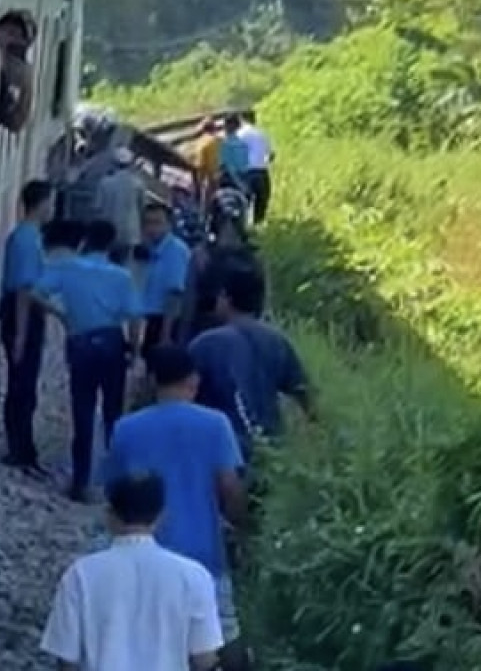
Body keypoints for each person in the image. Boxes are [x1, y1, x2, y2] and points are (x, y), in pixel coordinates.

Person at [104, 345, 250, 671]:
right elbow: (229, 487)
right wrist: (240, 526)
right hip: (204, 553)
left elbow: (114, 491)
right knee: (220, 638)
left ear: (153, 380)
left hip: (143, 553)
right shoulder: (216, 424)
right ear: (193, 380)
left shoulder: (126, 428)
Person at [41, 473, 225, 671]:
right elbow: (204, 659)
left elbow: (67, 659)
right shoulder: (194, 577)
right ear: (161, 516)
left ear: (109, 515)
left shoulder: (80, 575)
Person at [33, 219, 144, 501]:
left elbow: (35, 292)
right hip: (111, 341)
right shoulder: (121, 276)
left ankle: (80, 481)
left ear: (85, 241)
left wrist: (61, 314)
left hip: (80, 341)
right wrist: (133, 349)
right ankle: (116, 482)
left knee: (82, 409)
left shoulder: (68, 269)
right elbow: (133, 317)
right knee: (113, 412)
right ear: (110, 244)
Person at [188, 264, 313, 454]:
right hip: (271, 449)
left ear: (225, 298)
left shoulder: (205, 345)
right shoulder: (278, 342)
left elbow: (180, 400)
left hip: (218, 450)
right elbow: (307, 395)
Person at [0, 180, 60, 474]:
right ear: (42, 203)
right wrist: (21, 334)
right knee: (21, 382)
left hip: (26, 310)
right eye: (52, 202)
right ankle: (18, 448)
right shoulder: (25, 238)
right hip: (20, 312)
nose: (54, 208)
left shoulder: (31, 236)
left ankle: (24, 446)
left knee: (26, 383)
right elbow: (24, 290)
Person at [139, 202, 192, 358]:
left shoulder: (174, 251)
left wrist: (165, 336)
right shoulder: (154, 250)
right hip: (154, 320)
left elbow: (174, 295)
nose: (152, 229)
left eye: (157, 223)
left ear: (169, 225)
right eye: (147, 223)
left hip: (166, 322)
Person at [95, 147, 146, 259]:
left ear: (114, 163)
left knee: (108, 260)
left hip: (109, 231)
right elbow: (143, 208)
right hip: (130, 232)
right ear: (130, 163)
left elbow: (98, 208)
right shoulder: (138, 184)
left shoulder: (104, 183)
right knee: (126, 262)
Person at [237, 111, 274, 223]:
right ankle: (258, 224)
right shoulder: (262, 134)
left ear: (242, 119)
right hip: (261, 172)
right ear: (254, 119)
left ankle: (242, 227)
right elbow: (271, 155)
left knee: (243, 202)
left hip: (245, 173)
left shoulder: (239, 134)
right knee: (261, 202)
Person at [191, 117, 223, 202]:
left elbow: (196, 161)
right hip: (211, 173)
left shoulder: (199, 141)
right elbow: (215, 160)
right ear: (214, 128)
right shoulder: (216, 141)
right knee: (212, 199)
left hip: (200, 173)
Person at [218, 115, 251, 194]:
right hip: (239, 182)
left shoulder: (223, 144)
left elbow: (224, 166)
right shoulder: (242, 144)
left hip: (227, 182)